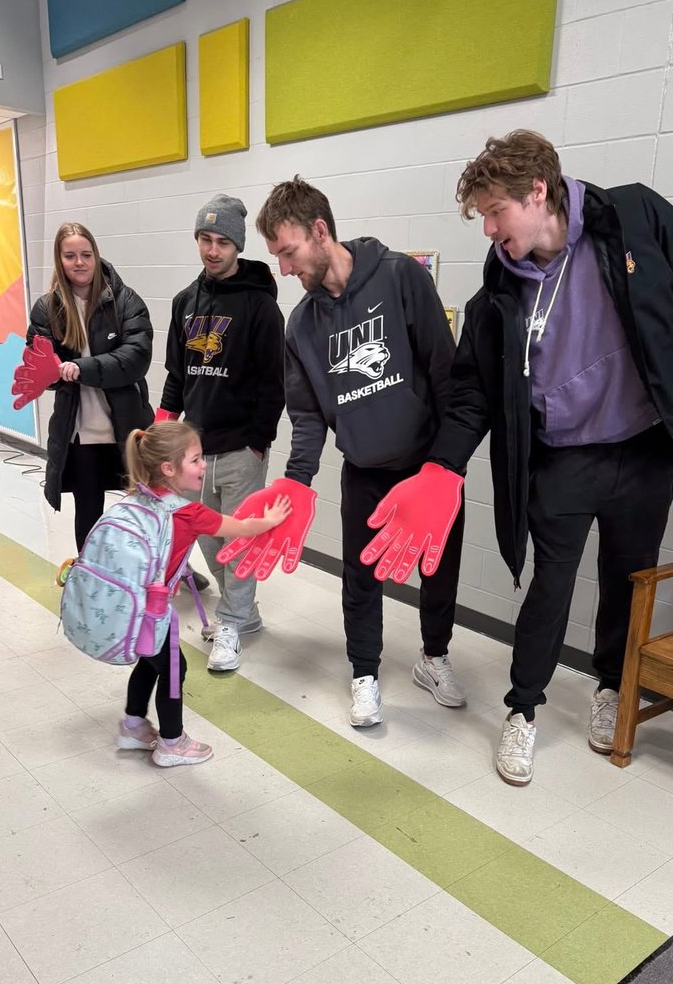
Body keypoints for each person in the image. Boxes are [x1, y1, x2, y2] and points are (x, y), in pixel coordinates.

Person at [413, 130, 673, 785]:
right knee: (551, 584)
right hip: (563, 457)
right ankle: (523, 710)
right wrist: (441, 467)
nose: (487, 229)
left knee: (631, 576)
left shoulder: (633, 218)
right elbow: (471, 394)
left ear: (538, 191)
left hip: (644, 445)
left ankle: (609, 689)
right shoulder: (500, 293)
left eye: (494, 212)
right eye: (481, 216)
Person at [252, 176, 466, 727]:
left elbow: (445, 375)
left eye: (288, 251)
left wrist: (448, 467)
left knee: (438, 570)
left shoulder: (399, 277)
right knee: (361, 577)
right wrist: (297, 481)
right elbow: (306, 417)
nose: (284, 268)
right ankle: (364, 674)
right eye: (276, 256)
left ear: (319, 231)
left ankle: (434, 657)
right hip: (365, 470)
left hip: (426, 467)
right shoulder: (301, 326)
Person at [156, 194, 286, 674]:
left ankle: (230, 621)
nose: (213, 250)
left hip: (241, 450)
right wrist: (162, 431)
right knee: (209, 539)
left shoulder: (259, 305)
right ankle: (243, 613)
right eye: (205, 240)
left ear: (237, 245)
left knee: (242, 542)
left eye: (223, 242)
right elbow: (176, 375)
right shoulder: (184, 303)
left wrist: (257, 441)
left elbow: (275, 383)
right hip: (193, 452)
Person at [118, 421, 291, 768]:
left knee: (149, 662)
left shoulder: (137, 496)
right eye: (196, 460)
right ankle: (171, 742)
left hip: (127, 604)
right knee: (172, 667)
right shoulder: (188, 511)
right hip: (153, 610)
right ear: (169, 469)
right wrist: (271, 519)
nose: (204, 466)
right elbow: (241, 529)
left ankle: (133, 725)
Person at [27, 222, 153, 550]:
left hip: (128, 428)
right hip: (80, 432)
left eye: (86, 254)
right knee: (88, 513)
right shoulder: (47, 308)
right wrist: (50, 373)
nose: (79, 262)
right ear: (60, 260)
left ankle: (166, 571)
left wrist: (78, 368)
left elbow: (135, 358)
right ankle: (89, 576)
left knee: (148, 508)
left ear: (96, 256)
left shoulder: (125, 300)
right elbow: (40, 365)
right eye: (70, 256)